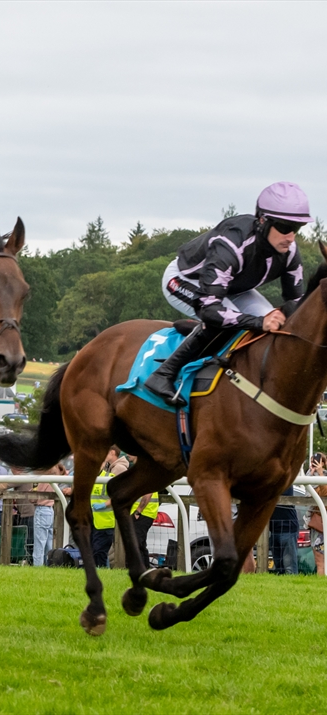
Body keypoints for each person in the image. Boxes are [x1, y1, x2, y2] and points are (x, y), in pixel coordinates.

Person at [145, 182, 311, 405]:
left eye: (296, 228)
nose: (291, 237)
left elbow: (296, 302)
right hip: (185, 280)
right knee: (228, 322)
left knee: (275, 324)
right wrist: (258, 321)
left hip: (234, 288)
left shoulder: (289, 251)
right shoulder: (231, 243)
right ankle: (163, 373)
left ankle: (202, 336)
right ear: (262, 220)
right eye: (284, 227)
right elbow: (210, 309)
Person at [90, 447, 129, 568]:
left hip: (105, 523)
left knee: (99, 552)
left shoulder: (110, 477)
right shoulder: (90, 479)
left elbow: (119, 496)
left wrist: (103, 505)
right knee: (94, 552)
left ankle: (101, 575)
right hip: (92, 522)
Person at [33, 465, 62, 567]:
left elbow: (34, 498)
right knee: (48, 543)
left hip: (42, 509)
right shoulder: (57, 472)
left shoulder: (46, 475)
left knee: (39, 544)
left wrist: (33, 490)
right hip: (50, 509)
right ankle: (50, 565)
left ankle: (38, 568)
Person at [269, 485, 300, 575]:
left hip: (287, 529)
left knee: (290, 568)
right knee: (279, 568)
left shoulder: (285, 482)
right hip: (274, 530)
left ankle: (292, 586)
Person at [130, 489, 160, 562]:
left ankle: (138, 568)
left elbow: (148, 493)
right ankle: (144, 568)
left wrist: (138, 511)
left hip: (143, 513)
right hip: (143, 513)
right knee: (140, 544)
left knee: (136, 543)